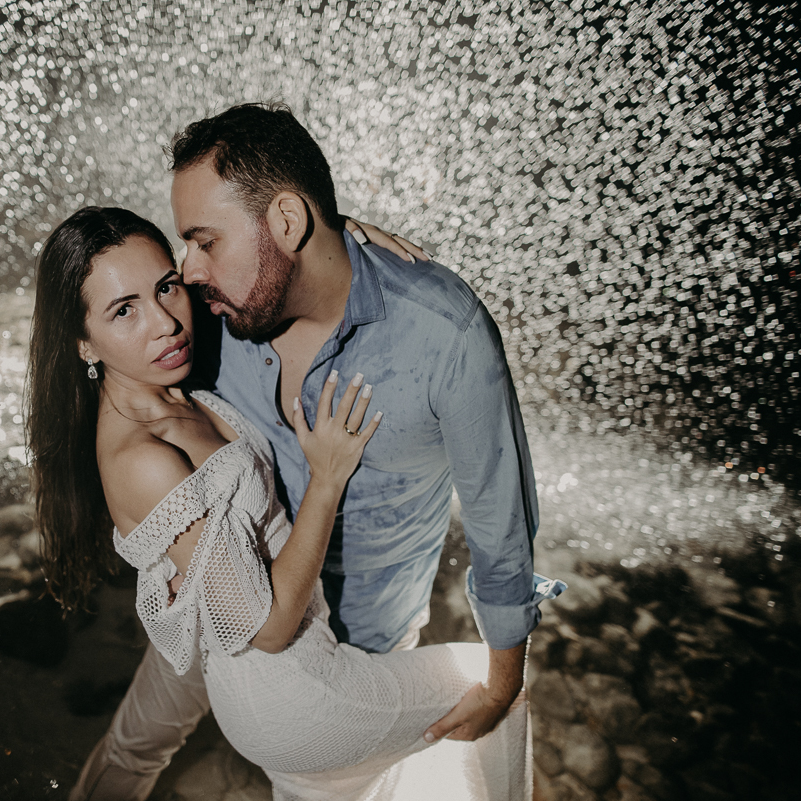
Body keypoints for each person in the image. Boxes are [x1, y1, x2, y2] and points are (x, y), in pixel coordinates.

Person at [63, 102, 564, 800]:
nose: (188, 275)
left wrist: (504, 676)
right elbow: (128, 353)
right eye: (187, 247)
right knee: (135, 745)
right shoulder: (217, 318)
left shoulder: (442, 334)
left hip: (352, 639)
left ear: (288, 223)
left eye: (202, 245)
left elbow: (500, 526)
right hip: (216, 604)